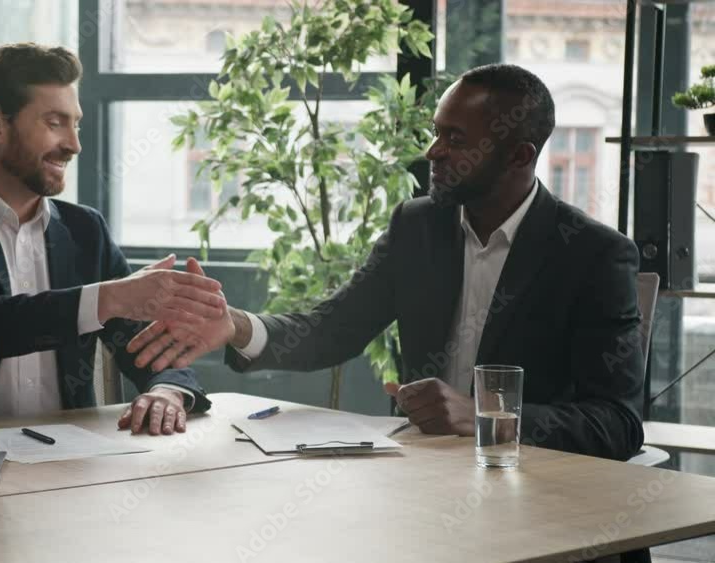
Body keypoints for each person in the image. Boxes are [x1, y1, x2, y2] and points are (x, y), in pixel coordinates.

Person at [127, 64, 646, 461]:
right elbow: (333, 329)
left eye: (455, 140)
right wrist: (236, 326)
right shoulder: (418, 226)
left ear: (518, 156)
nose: (432, 152)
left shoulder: (593, 255)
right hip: (419, 477)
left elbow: (619, 423)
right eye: (437, 132)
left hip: (541, 493)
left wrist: (489, 417)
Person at [0, 43, 222, 435]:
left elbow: (147, 349)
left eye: (75, 123)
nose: (74, 144)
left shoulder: (86, 230)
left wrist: (166, 391)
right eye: (55, 122)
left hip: (73, 468)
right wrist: (108, 298)